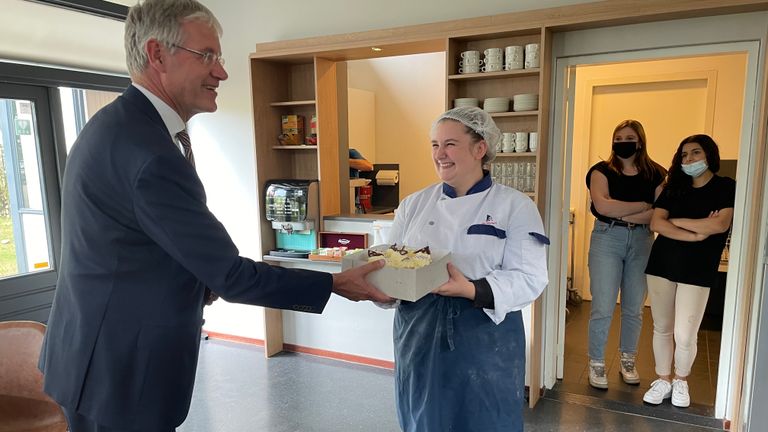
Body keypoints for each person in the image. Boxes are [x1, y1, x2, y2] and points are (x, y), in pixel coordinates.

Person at [38, 1, 389, 431]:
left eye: (219, 58)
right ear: (157, 54)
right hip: (120, 372)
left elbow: (132, 246)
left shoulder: (114, 126)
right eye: (207, 56)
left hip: (95, 355)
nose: (221, 72)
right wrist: (334, 283)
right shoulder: (150, 154)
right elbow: (232, 275)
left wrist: (198, 278)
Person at [387, 107, 549, 432]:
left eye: (450, 144)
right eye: (434, 144)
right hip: (418, 331)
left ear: (480, 149)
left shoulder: (514, 206)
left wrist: (471, 289)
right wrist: (381, 286)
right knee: (424, 416)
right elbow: (394, 266)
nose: (440, 154)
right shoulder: (413, 205)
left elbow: (530, 278)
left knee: (486, 418)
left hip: (485, 335)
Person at [642, 134, 734, 408]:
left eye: (695, 153)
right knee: (662, 327)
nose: (689, 159)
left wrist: (677, 221)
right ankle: (663, 379)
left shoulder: (725, 186)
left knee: (685, 333)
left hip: (698, 269)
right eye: (684, 155)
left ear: (709, 155)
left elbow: (719, 225)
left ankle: (681, 380)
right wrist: (694, 233)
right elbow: (657, 224)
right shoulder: (674, 187)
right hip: (662, 264)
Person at [585, 119, 666, 389]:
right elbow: (603, 207)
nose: (622, 142)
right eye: (618, 138)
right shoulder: (600, 170)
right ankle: (596, 362)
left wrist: (625, 209)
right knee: (603, 306)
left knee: (634, 307)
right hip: (608, 237)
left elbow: (659, 212)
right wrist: (642, 206)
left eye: (628, 137)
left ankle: (628, 359)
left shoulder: (656, 173)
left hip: (643, 240)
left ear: (640, 141)